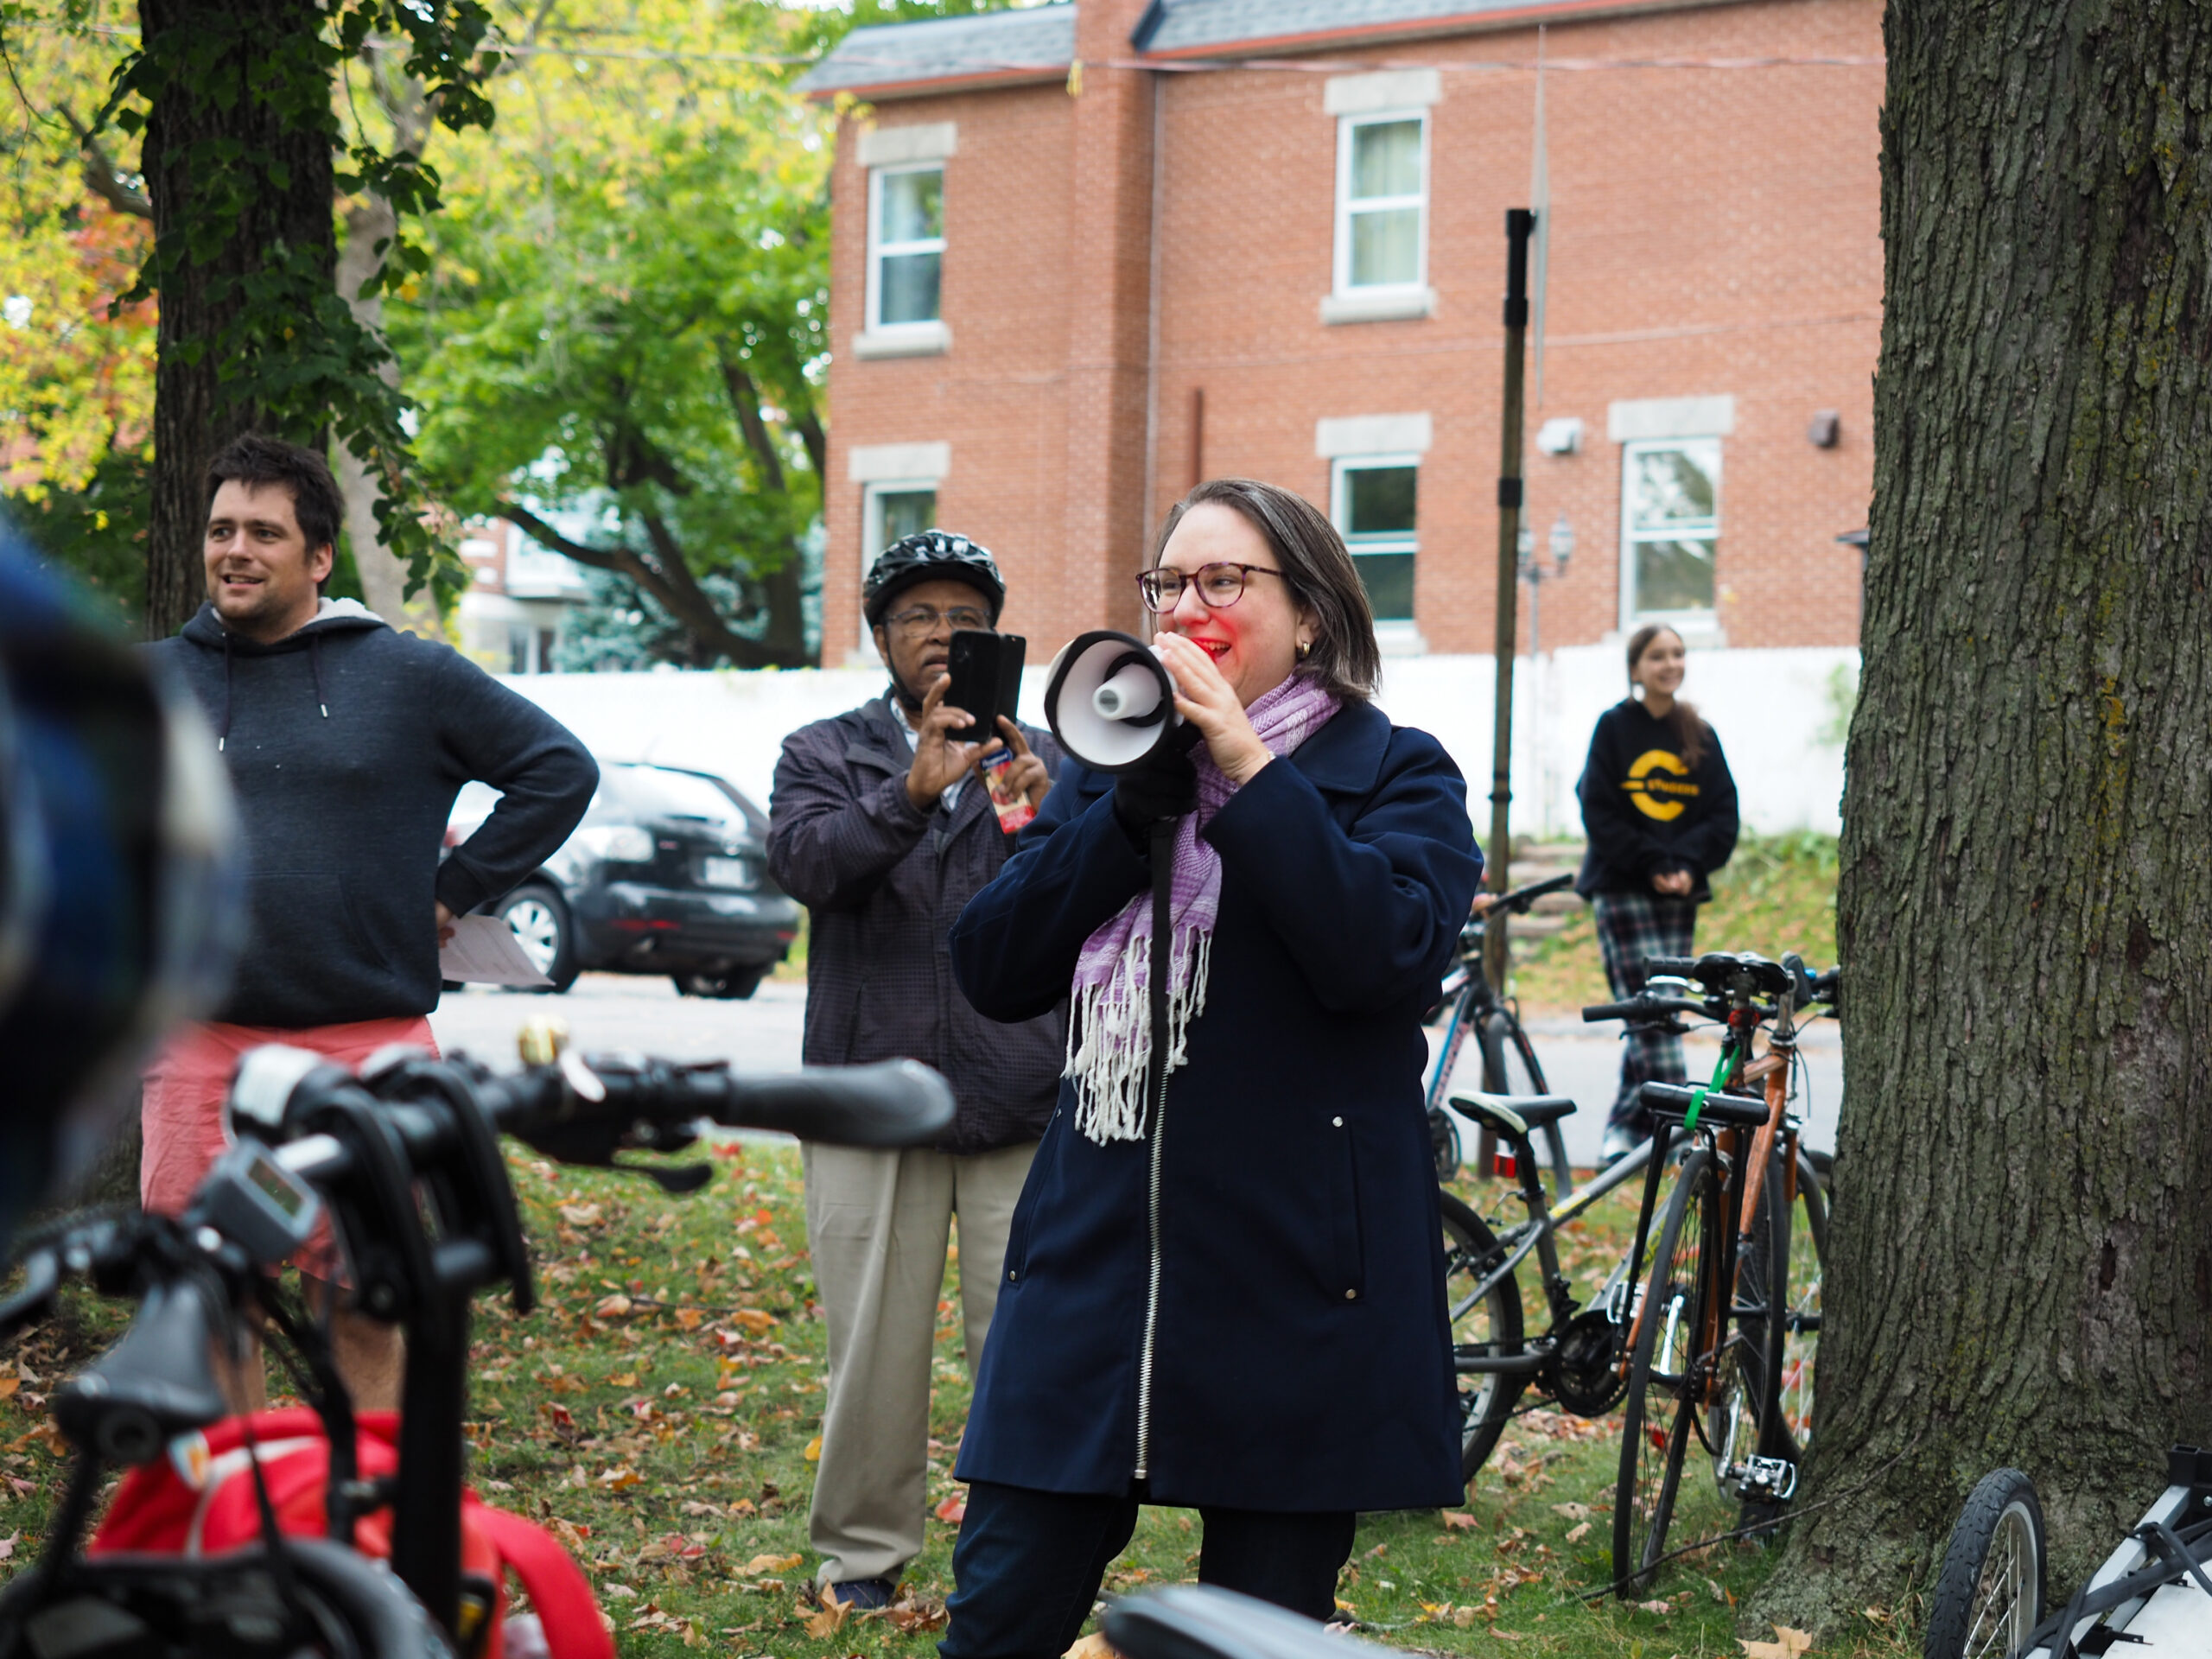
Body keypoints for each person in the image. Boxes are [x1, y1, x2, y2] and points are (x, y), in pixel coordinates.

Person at [938, 479, 1483, 1657]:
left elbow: (1383, 957)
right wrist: (1119, 817)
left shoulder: (1397, 771)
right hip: (1090, 1279)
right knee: (997, 1620)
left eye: (1224, 580)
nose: (1187, 608)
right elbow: (992, 965)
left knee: (1255, 1637)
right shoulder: (1116, 768)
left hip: (1297, 1287)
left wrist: (1248, 770)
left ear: (1314, 615)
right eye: (1169, 584)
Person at [142, 434, 599, 1408]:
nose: (235, 550)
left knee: (364, 1304)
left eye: (264, 533)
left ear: (318, 558)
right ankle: (241, 1502)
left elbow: (559, 770)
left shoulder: (407, 676)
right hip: (199, 1047)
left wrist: (455, 887)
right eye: (221, 530)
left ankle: (363, 1500)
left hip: (367, 1049)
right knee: (211, 1304)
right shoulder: (152, 685)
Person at [767, 529, 1061, 1611]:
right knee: (873, 1353)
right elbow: (807, 866)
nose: (943, 634)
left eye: (966, 620)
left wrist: (1037, 821)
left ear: (997, 641)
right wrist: (910, 792)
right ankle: (861, 1558)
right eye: (920, 616)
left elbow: (1081, 910)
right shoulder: (823, 751)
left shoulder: (1043, 757)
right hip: (868, 1098)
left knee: (1025, 1350)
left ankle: (1020, 1560)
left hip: (1019, 1095)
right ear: (881, 636)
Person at [1574, 623, 1740, 1163]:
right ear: (1636, 668)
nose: (1670, 664)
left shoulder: (1699, 733)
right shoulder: (1614, 728)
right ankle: (1683, 1136)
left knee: (1652, 1013)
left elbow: (1723, 814)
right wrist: (1653, 864)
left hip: (1677, 897)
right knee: (1656, 1012)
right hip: (1623, 890)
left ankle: (1625, 1132)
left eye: (1677, 654)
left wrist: (1687, 865)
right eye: (1657, 656)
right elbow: (1598, 808)